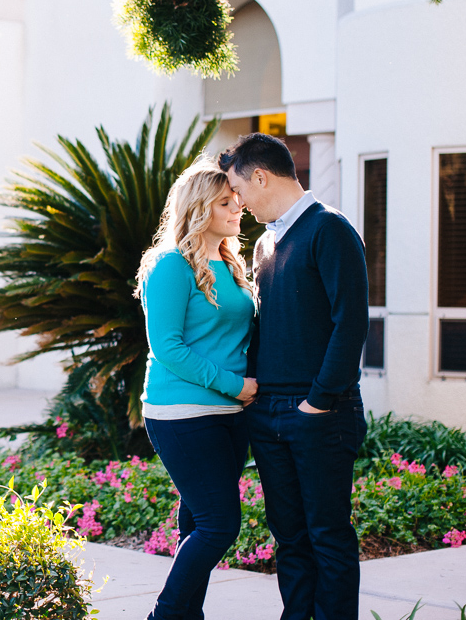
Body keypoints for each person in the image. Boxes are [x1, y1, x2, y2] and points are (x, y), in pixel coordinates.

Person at [218, 134, 369, 620]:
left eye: (239, 188)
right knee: (290, 539)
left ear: (260, 176)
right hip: (270, 416)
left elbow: (352, 324)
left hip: (321, 413)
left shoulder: (330, 229)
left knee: (327, 536)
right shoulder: (265, 243)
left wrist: (318, 402)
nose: (237, 200)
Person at [136, 158, 259, 620]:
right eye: (226, 202)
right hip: (181, 412)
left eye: (237, 200)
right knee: (219, 525)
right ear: (200, 208)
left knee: (197, 522)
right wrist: (234, 385)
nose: (237, 208)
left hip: (230, 413)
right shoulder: (170, 266)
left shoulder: (230, 262)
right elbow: (167, 346)